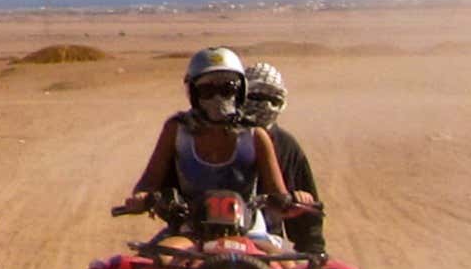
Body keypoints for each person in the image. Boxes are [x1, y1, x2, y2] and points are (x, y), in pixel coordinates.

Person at [117, 48, 296, 249]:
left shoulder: (255, 136)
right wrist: (142, 198)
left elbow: (278, 194)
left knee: (285, 265)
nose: (218, 98)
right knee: (161, 258)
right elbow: (148, 182)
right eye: (207, 91)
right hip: (190, 230)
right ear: (194, 93)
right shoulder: (177, 131)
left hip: (250, 231)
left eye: (228, 88)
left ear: (240, 91)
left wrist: (292, 200)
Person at [242, 62, 327, 253]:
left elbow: (308, 212)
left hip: (267, 240)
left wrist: (313, 249)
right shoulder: (219, 135)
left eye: (272, 99)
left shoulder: (287, 146)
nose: (264, 105)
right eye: (256, 97)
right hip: (210, 234)